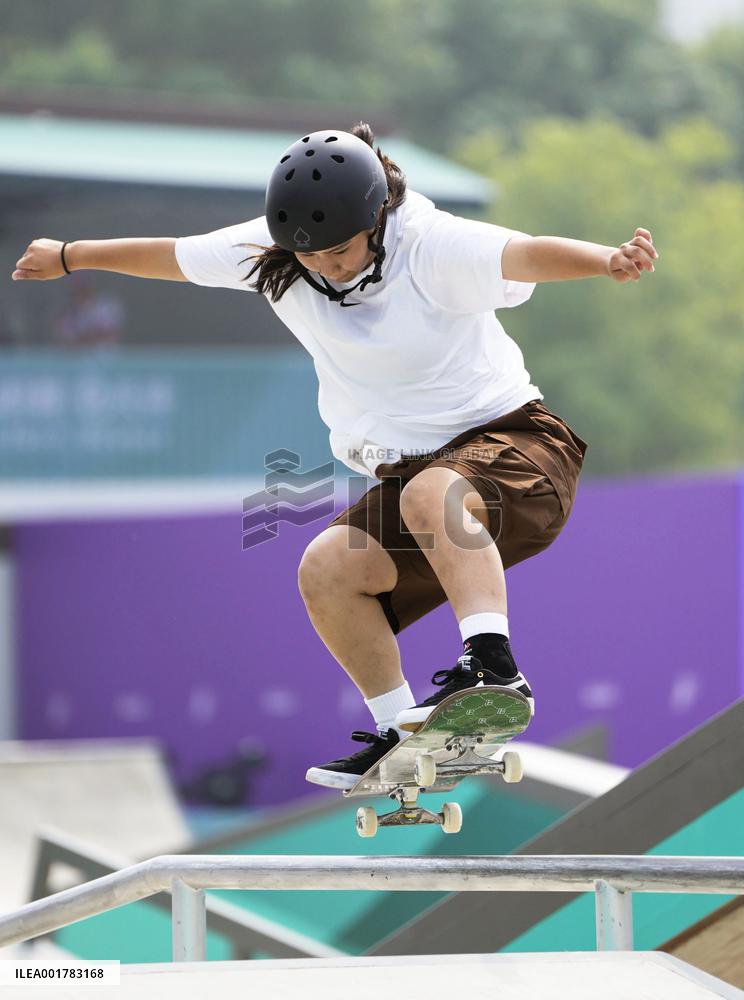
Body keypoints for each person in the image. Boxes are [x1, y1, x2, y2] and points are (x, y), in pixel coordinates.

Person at [12, 121, 657, 790]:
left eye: (341, 250)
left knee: (428, 491)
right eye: (311, 255)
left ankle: (494, 665)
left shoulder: (430, 244)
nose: (327, 266)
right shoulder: (274, 255)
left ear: (377, 216)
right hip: (427, 486)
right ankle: (405, 737)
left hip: (522, 453)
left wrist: (606, 260)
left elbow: (524, 254)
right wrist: (69, 255)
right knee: (327, 567)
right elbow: (173, 255)